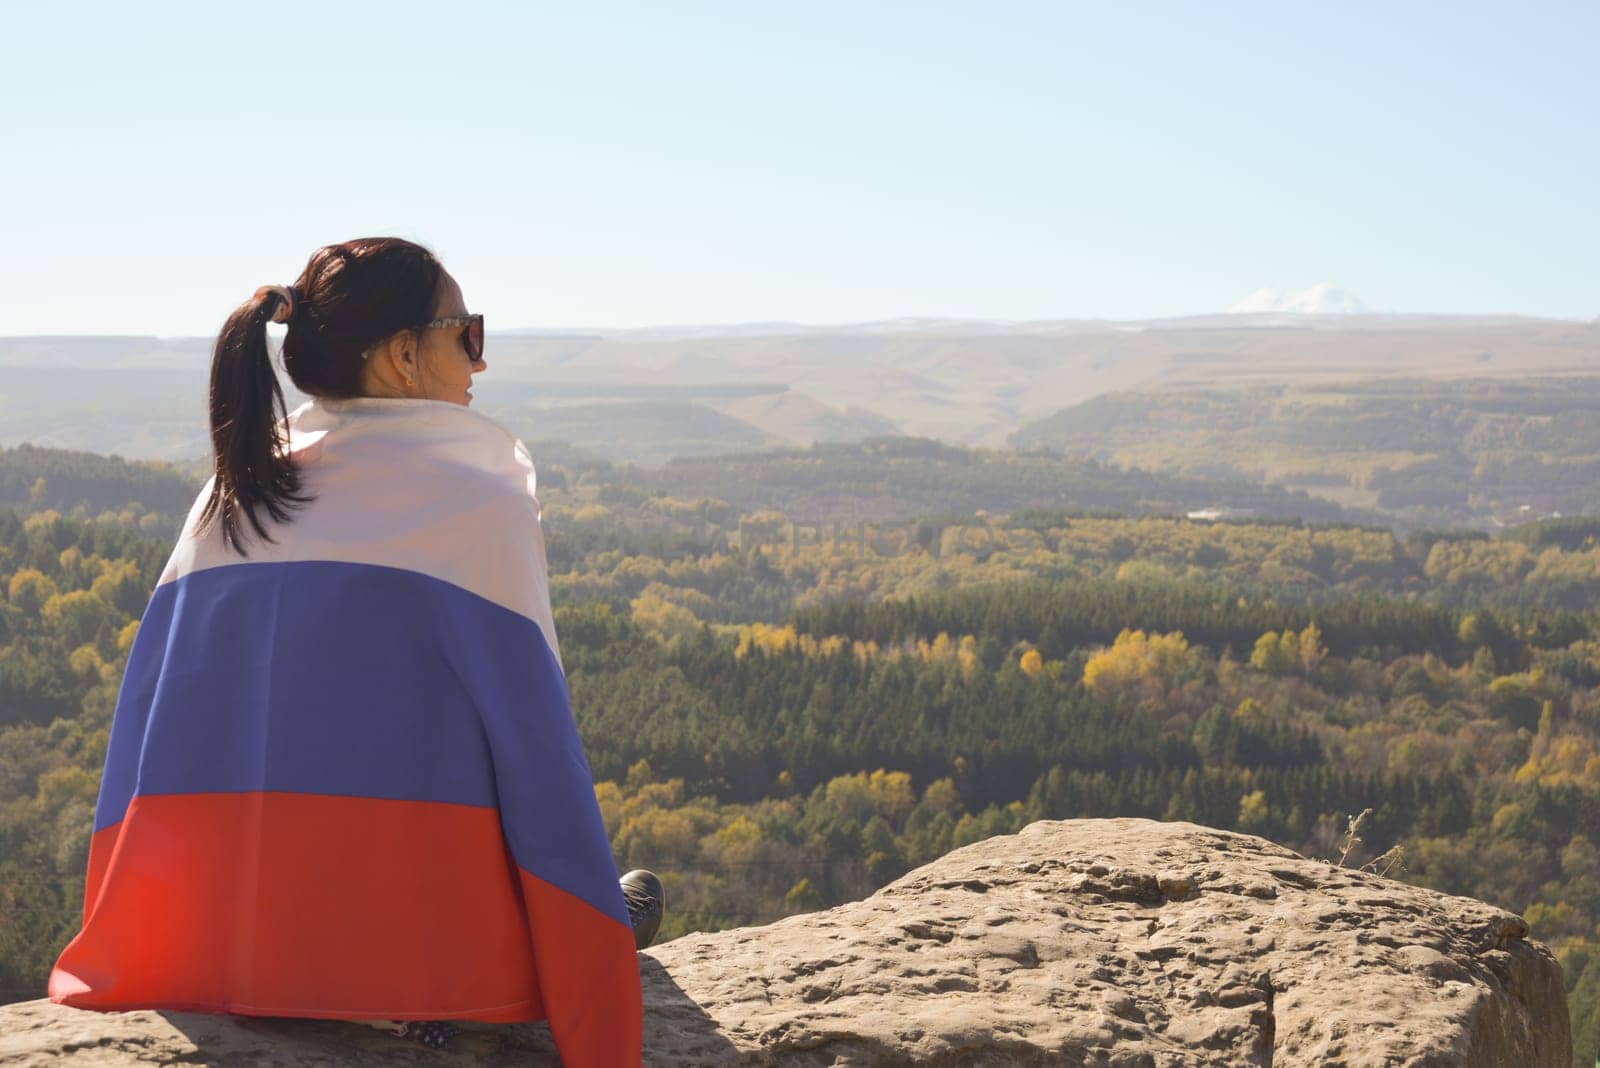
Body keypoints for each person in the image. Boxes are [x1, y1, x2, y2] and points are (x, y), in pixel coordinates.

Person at [46, 237, 661, 1064]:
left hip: (223, 948)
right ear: (405, 355)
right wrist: (589, 949)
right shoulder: (474, 502)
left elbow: (149, 747)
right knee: (613, 907)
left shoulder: (232, 493)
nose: (480, 364)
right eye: (467, 335)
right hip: (421, 972)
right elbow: (537, 757)